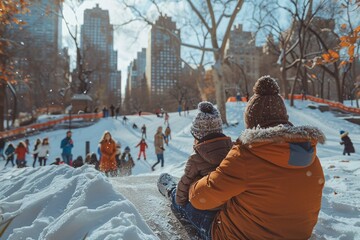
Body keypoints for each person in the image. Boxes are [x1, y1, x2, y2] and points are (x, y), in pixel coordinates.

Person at [158, 76, 326, 240]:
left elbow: (201, 199)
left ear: (251, 122)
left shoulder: (248, 154)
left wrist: (193, 185)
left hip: (241, 235)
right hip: (297, 235)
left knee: (186, 203)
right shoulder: (310, 155)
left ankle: (170, 189)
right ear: (284, 118)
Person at [174, 101, 233, 207]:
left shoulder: (195, 159)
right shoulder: (233, 150)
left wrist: (180, 203)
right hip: (228, 205)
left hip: (205, 206)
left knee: (172, 189)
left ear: (197, 137)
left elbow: (185, 183)